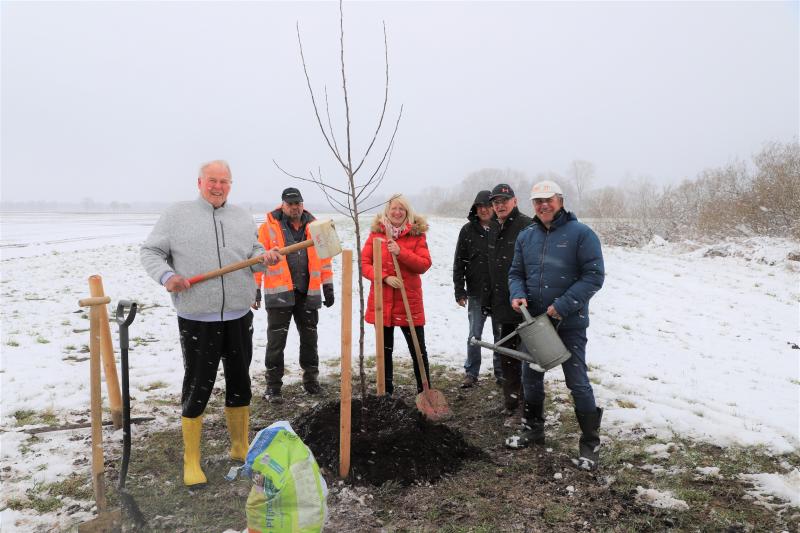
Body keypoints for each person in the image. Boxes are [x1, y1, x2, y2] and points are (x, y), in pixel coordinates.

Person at [140, 160, 281, 487]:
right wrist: (167, 276)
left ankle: (239, 445)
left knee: (240, 382)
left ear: (231, 184)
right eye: (212, 181)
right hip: (196, 317)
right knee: (198, 384)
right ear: (200, 182)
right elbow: (150, 252)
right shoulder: (177, 215)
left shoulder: (242, 216)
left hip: (238, 314)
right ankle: (191, 458)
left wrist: (265, 258)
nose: (218, 186)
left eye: (224, 181)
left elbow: (254, 251)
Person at [505, 180, 605, 471]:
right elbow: (515, 273)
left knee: (577, 382)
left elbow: (594, 276)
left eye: (548, 200)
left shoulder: (581, 234)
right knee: (531, 377)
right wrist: (517, 294)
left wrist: (562, 306)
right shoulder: (527, 236)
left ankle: (590, 443)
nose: (543, 205)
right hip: (535, 323)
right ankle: (533, 429)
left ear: (560, 200)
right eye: (537, 201)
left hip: (570, 323)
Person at [253, 187, 334, 403]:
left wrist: (328, 286)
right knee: (276, 342)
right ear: (283, 205)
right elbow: (258, 259)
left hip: (308, 292)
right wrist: (255, 289)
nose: (295, 207)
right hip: (279, 294)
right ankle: (273, 387)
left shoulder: (315, 227)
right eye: (290, 204)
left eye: (298, 203)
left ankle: (311, 381)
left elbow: (325, 259)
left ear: (302, 204)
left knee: (310, 339)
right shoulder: (268, 228)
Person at [361, 194, 432, 395]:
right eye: (394, 208)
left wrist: (401, 252)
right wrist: (383, 277)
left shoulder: (416, 235)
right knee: (385, 352)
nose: (397, 212)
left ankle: (425, 391)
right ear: (387, 211)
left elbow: (424, 264)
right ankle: (386, 391)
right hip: (382, 302)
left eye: (402, 209)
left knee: (418, 350)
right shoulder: (376, 235)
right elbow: (364, 264)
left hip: (409, 301)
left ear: (407, 212)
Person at [485, 183, 532, 426]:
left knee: (526, 358)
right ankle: (511, 403)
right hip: (501, 304)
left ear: (515, 201)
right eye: (495, 202)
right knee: (506, 355)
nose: (500, 205)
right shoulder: (494, 226)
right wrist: (488, 299)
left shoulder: (526, 226)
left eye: (504, 200)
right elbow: (492, 266)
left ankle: (526, 408)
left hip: (523, 304)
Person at [452, 190, 502, 388]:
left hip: (500, 293)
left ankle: (501, 373)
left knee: (501, 336)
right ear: (475, 209)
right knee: (474, 335)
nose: (484, 210)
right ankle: (471, 373)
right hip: (476, 292)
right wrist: (459, 290)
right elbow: (459, 262)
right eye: (480, 207)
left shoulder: (502, 228)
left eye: (487, 206)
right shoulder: (467, 231)